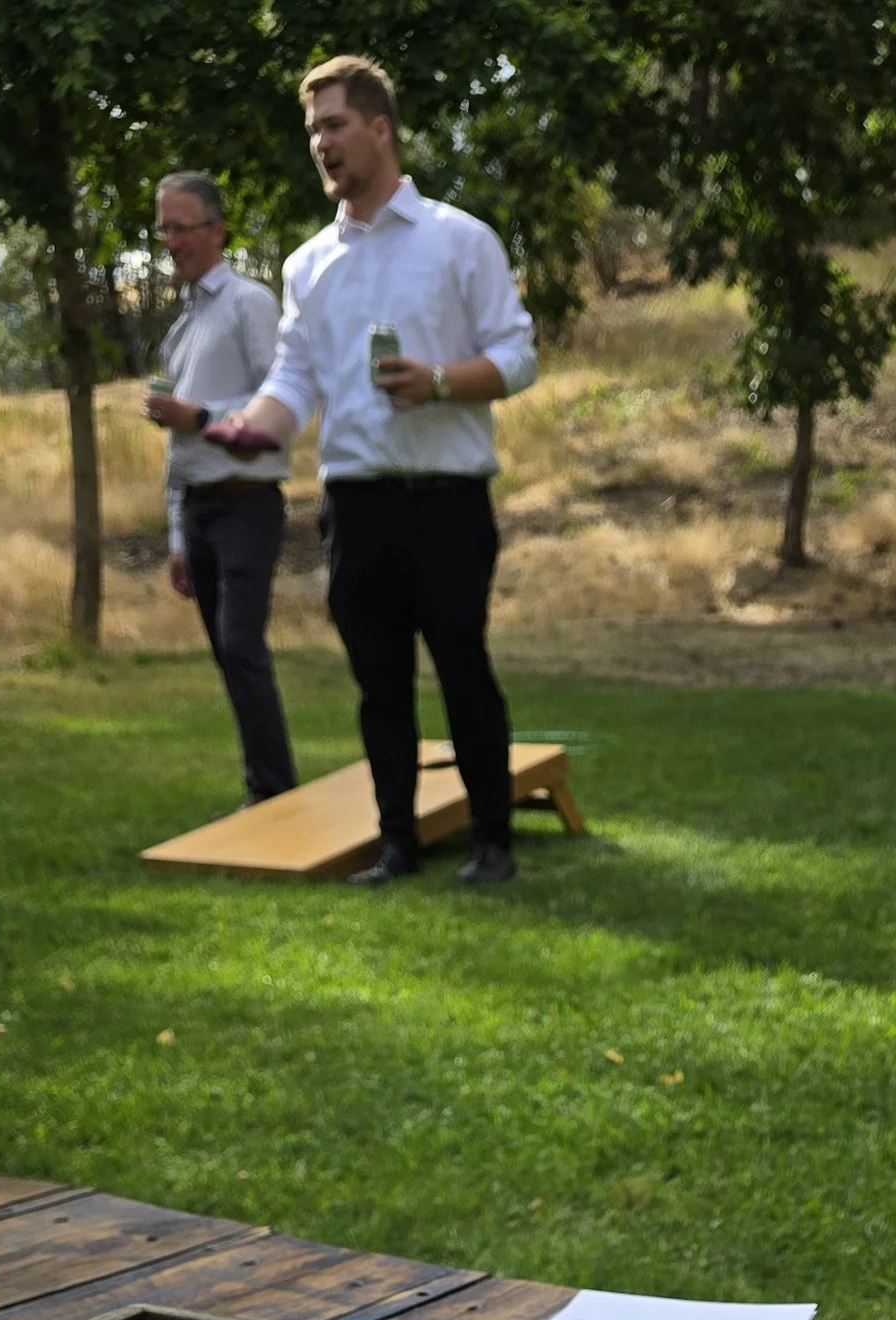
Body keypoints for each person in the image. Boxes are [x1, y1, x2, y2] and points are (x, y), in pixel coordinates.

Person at [207, 57, 533, 887]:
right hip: (355, 505)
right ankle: (398, 845)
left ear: (381, 129)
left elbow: (517, 354)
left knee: (463, 669)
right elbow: (297, 377)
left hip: (447, 499)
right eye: (313, 129)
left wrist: (443, 382)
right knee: (378, 683)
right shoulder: (309, 265)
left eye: (335, 125)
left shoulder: (461, 240)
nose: (321, 144)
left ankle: (493, 839)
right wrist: (252, 426)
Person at [143, 172, 297, 807]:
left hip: (247, 505)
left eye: (182, 227)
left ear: (217, 231)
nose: (171, 241)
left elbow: (281, 400)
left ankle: (275, 790)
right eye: (164, 229)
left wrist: (201, 418)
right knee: (227, 656)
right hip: (201, 509)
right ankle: (264, 785)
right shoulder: (181, 328)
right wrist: (178, 535)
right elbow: (178, 454)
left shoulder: (247, 304)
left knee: (241, 647)